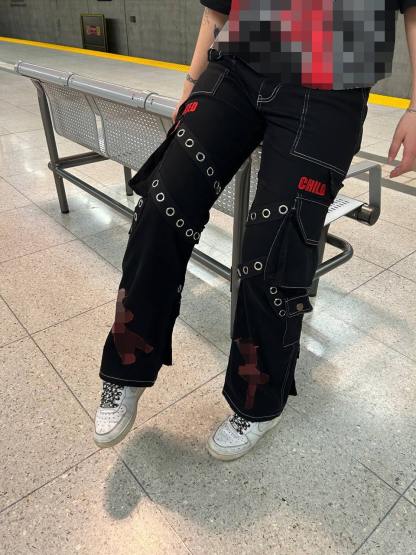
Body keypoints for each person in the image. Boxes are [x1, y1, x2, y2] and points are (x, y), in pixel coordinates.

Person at [94, 1, 416, 460]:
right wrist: (190, 83)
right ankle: (127, 365)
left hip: (333, 83)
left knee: (274, 250)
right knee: (162, 205)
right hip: (238, 62)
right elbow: (217, 10)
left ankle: (258, 401)